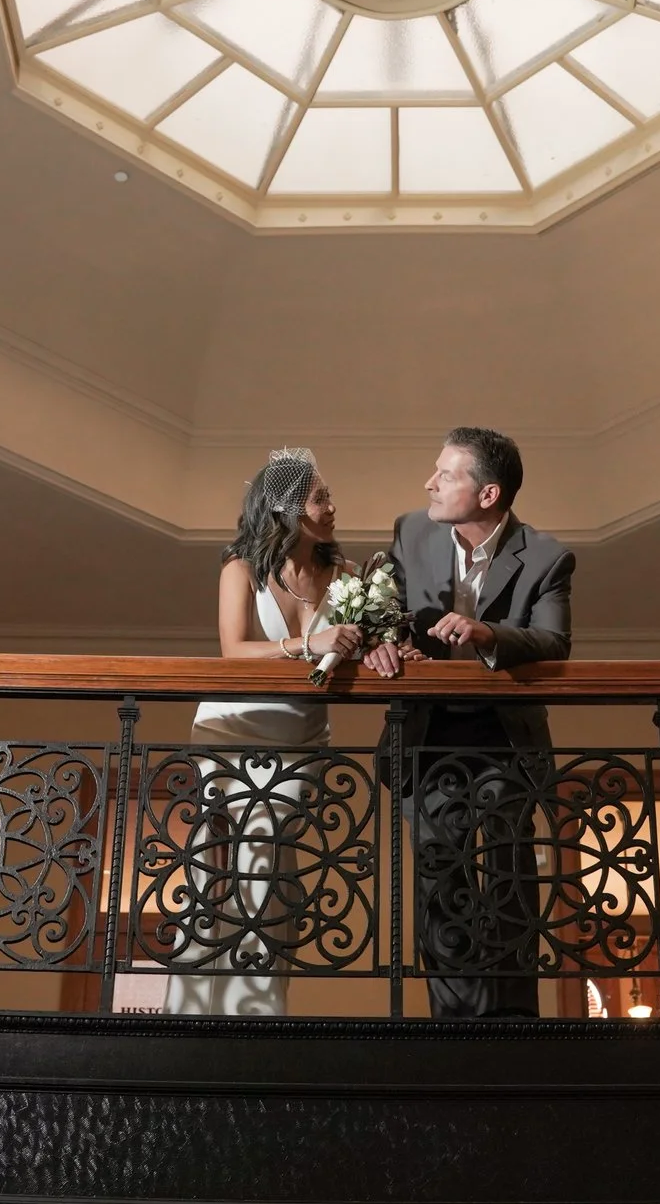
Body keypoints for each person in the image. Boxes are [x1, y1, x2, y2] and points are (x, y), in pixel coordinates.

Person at [363, 427, 572, 1018]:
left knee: (509, 878)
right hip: (428, 738)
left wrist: (487, 634)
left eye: (447, 474)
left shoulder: (548, 555)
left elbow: (555, 643)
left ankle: (513, 1024)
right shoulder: (410, 530)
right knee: (439, 881)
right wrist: (383, 643)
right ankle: (453, 1028)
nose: (430, 483)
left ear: (488, 494)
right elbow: (387, 615)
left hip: (503, 738)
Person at [163, 449, 361, 1016]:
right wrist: (308, 645)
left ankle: (259, 1006)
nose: (331, 507)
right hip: (232, 731)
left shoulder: (347, 577)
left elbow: (362, 641)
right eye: (319, 497)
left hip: (302, 739)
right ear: (284, 508)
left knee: (270, 871)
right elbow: (234, 653)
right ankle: (194, 1010)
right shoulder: (241, 569)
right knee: (217, 867)